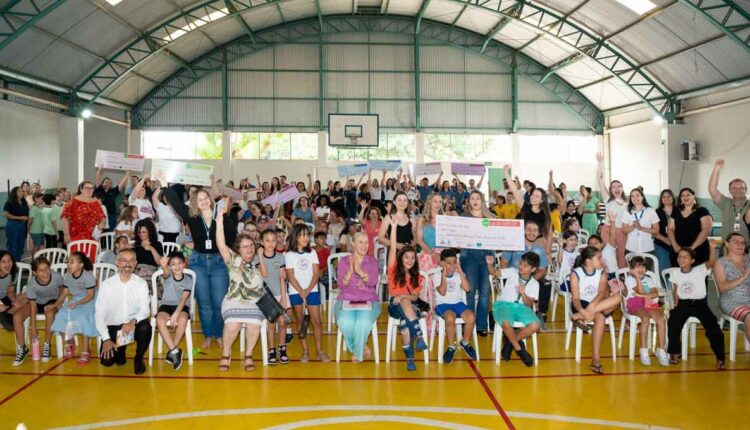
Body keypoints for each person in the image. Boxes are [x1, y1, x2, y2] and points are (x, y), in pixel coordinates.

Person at [164, 184, 236, 349]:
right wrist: (164, 185)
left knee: (218, 303)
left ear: (210, 200)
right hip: (198, 263)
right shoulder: (192, 216)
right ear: (194, 203)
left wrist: (224, 218)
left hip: (218, 263)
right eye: (198, 199)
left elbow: (231, 239)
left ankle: (218, 334)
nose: (202, 201)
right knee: (204, 303)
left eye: (205, 198)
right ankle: (208, 335)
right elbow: (175, 202)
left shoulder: (222, 217)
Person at [215, 204, 266, 372]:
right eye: (245, 246)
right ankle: (225, 353)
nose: (249, 249)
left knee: (254, 324)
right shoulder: (233, 261)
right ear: (238, 249)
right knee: (233, 324)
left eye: (251, 246)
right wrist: (219, 220)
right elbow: (221, 244)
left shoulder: (259, 260)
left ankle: (249, 354)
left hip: (254, 301)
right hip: (233, 300)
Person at [96, 248, 152, 375]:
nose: (128, 264)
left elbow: (145, 310)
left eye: (131, 261)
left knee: (145, 327)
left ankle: (138, 358)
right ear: (117, 263)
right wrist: (106, 339)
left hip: (132, 326)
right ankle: (120, 349)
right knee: (107, 361)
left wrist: (133, 322)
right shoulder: (106, 285)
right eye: (124, 260)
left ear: (136, 263)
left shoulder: (141, 283)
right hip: (113, 326)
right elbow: (99, 314)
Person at [667, 246, 724, 368]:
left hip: (700, 304)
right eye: (679, 256)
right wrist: (676, 304)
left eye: (685, 257)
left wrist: (712, 248)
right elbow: (676, 290)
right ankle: (675, 352)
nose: (681, 259)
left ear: (692, 261)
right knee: (673, 323)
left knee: (713, 327)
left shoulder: (700, 269)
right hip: (683, 304)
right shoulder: (675, 272)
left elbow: (712, 262)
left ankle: (720, 357)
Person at [569, 246, 622, 374]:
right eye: (599, 258)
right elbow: (575, 299)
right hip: (580, 304)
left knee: (618, 297)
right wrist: (582, 311)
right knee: (601, 318)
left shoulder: (602, 272)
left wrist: (591, 308)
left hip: (597, 303)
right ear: (588, 261)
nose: (602, 260)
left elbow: (601, 292)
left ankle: (581, 318)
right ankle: (596, 359)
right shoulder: (576, 273)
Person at [487, 252, 541, 367]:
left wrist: (524, 294)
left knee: (536, 325)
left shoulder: (534, 284)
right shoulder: (512, 272)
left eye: (526, 266)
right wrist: (490, 264)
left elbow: (529, 303)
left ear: (533, 269)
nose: (521, 266)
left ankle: (510, 343)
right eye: (521, 263)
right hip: (504, 305)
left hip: (522, 307)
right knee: (506, 323)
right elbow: (494, 272)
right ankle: (519, 350)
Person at [386, 216, 426, 371]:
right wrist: (394, 228)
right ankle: (420, 334)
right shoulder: (393, 271)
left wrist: (402, 296)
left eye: (412, 257)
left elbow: (415, 297)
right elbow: (393, 246)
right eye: (406, 257)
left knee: (405, 327)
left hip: (408, 305)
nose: (410, 260)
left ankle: (410, 359)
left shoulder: (417, 276)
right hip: (394, 307)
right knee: (403, 302)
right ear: (400, 258)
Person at [285, 224, 329, 363]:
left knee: (316, 321)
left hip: (312, 291)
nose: (305, 238)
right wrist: (301, 292)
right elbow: (291, 277)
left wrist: (307, 291)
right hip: (295, 291)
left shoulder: (312, 253)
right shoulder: (289, 254)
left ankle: (320, 350)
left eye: (307, 235)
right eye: (301, 235)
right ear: (295, 237)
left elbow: (316, 274)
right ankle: (305, 351)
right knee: (301, 321)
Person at [334, 232, 381, 363]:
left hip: (369, 300)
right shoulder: (343, 261)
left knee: (363, 323)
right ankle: (361, 346)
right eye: (360, 242)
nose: (364, 245)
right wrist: (349, 273)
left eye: (366, 242)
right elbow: (341, 287)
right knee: (344, 322)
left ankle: (357, 352)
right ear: (353, 244)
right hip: (346, 299)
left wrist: (360, 272)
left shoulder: (372, 261)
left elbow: (372, 282)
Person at [456, 190, 495, 336]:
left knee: (485, 292)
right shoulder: (463, 217)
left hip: (487, 257)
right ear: (469, 201)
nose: (475, 200)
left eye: (478, 198)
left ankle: (481, 325)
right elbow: (458, 236)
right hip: (469, 256)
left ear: (482, 200)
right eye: (472, 198)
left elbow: (498, 238)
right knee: (470, 291)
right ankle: (469, 323)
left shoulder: (491, 217)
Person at [11, 256, 63, 365]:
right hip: (37, 303)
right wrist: (33, 328)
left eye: (47, 268)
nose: (45, 273)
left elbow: (62, 289)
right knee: (16, 316)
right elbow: (33, 307)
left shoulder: (56, 276)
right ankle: (22, 348)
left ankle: (47, 345)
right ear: (35, 273)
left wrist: (57, 303)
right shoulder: (32, 285)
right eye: (41, 270)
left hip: (52, 302)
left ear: (50, 268)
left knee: (49, 314)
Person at [50, 252, 98, 366]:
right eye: (68, 261)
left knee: (83, 317)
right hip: (76, 300)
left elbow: (91, 295)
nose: (68, 264)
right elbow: (64, 292)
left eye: (72, 262)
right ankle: (68, 343)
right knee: (60, 315)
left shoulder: (88, 276)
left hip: (90, 300)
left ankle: (86, 349)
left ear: (80, 265)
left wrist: (77, 304)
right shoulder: (68, 276)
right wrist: (55, 304)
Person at [432, 248, 477, 363]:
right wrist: (444, 275)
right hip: (443, 305)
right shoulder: (437, 275)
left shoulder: (458, 275)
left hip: (458, 303)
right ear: (442, 263)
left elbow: (467, 288)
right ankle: (451, 346)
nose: (451, 266)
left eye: (454, 263)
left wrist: (461, 272)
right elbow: (442, 292)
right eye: (448, 263)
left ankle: (465, 342)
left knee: (471, 317)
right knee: (450, 317)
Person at [624, 256, 668, 366]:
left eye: (642, 266)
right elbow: (640, 290)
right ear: (632, 269)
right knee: (645, 318)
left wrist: (643, 295)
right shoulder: (629, 279)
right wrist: (637, 278)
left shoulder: (649, 279)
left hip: (649, 303)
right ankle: (643, 350)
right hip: (635, 303)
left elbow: (655, 293)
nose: (640, 269)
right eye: (637, 267)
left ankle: (661, 350)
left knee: (661, 319)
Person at [155, 252, 192, 370]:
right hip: (166, 305)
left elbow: (184, 299)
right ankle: (175, 351)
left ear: (184, 264)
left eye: (180, 263)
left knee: (182, 319)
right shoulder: (168, 275)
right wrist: (163, 264)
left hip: (181, 306)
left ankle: (173, 350)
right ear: (170, 266)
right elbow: (165, 270)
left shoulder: (188, 280)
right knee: (159, 320)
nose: (177, 267)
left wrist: (176, 314)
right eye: (173, 264)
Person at [258, 229, 289, 365]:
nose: (271, 244)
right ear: (262, 242)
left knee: (282, 323)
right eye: (267, 241)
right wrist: (259, 256)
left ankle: (282, 348)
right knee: (271, 324)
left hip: (280, 293)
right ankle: (271, 350)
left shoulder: (281, 257)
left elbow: (282, 278)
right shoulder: (257, 258)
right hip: (266, 297)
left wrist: (283, 297)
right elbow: (264, 274)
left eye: (273, 240)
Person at [714, 232, 750, 347]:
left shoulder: (748, 260)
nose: (740, 245)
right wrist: (743, 276)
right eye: (736, 242)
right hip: (732, 302)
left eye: (743, 243)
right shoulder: (721, 263)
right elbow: (722, 287)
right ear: (727, 244)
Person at [597, 153, 628, 269]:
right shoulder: (608, 200)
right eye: (613, 186)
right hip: (609, 229)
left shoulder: (627, 203)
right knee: (610, 256)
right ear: (610, 190)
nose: (616, 188)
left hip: (623, 231)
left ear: (622, 188)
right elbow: (599, 179)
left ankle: (621, 281)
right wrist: (600, 162)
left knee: (621, 257)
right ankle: (610, 279)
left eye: (619, 186)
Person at [61, 181, 106, 259]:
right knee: (76, 260)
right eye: (87, 188)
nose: (90, 190)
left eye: (92, 188)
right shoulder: (72, 202)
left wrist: (102, 223)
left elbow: (103, 217)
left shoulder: (96, 203)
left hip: (92, 236)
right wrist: (66, 234)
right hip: (75, 236)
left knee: (90, 261)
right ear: (81, 189)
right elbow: (65, 218)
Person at [668, 188, 712, 266]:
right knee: (678, 276)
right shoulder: (676, 211)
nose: (685, 197)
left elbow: (706, 230)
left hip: (698, 250)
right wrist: (675, 246)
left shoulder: (702, 210)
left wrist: (691, 248)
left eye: (688, 195)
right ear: (680, 198)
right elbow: (670, 229)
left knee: (698, 276)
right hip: (678, 251)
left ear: (693, 196)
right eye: (682, 195)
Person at [709, 159, 749, 242]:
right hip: (726, 248)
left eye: (741, 188)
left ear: (746, 190)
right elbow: (712, 189)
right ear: (729, 190)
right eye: (734, 188)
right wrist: (716, 169)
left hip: (745, 249)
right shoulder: (725, 203)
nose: (738, 190)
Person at [621, 188, 660, 257]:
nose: (635, 198)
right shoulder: (627, 211)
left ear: (642, 197)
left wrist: (641, 228)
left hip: (647, 249)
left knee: (647, 268)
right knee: (632, 268)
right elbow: (624, 230)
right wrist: (633, 226)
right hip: (631, 248)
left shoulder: (650, 211)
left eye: (637, 195)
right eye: (632, 196)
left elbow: (656, 231)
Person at [3, 186, 29, 262]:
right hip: (13, 225)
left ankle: (18, 262)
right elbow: (5, 214)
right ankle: (11, 263)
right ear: (15, 193)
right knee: (12, 245)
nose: (22, 193)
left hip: (22, 226)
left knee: (20, 245)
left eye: (22, 191)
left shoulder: (24, 202)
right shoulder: (9, 202)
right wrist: (19, 218)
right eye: (19, 191)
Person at [654, 189, 676, 274]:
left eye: (668, 196)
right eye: (664, 197)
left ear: (672, 198)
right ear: (661, 199)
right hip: (661, 244)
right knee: (664, 270)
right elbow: (654, 231)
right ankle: (664, 287)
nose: (666, 198)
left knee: (676, 269)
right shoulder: (657, 212)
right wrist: (665, 240)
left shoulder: (678, 211)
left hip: (676, 245)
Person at [0, 251, 19, 332]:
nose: (7, 264)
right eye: (3, 261)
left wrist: (14, 301)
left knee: (13, 325)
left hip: (4, 299)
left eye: (9, 260)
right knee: (10, 326)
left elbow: (10, 291)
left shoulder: (13, 273)